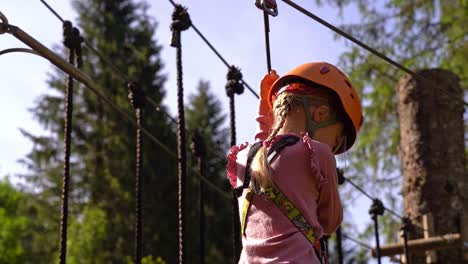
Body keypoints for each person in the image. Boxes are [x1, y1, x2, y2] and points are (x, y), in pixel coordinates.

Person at [226, 62, 364, 263]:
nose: (333, 149)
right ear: (320, 115)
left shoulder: (243, 158)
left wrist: (267, 111)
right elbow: (330, 222)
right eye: (336, 140)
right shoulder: (318, 154)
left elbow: (267, 151)